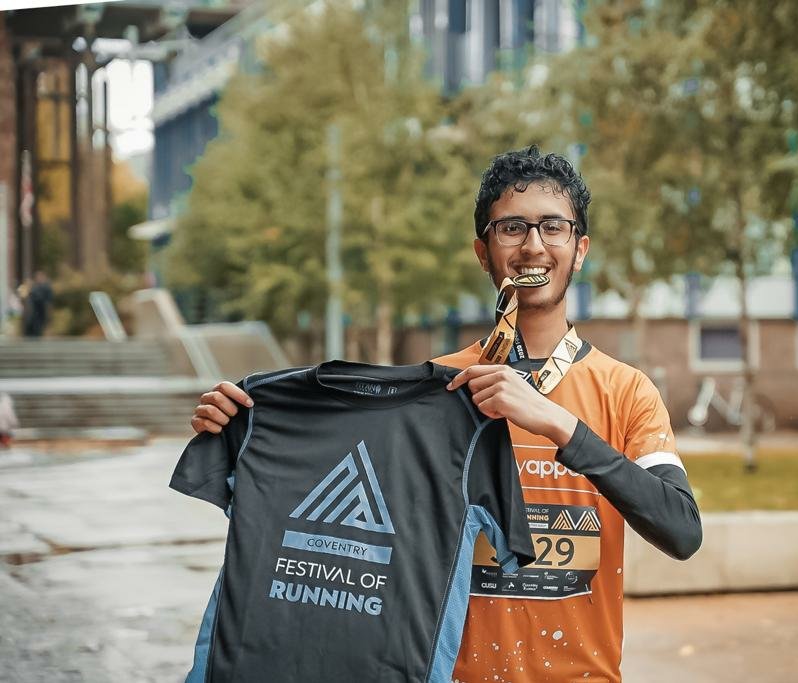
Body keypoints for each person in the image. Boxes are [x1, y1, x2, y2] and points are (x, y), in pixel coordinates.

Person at [189, 146, 702, 682]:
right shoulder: (436, 391)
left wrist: (557, 422)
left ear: (580, 249)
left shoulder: (627, 393)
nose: (533, 246)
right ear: (483, 252)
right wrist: (240, 427)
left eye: (554, 227)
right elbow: (335, 520)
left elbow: (681, 531)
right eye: (511, 228)